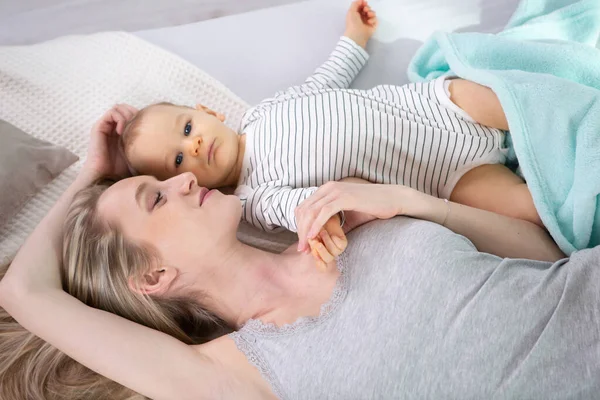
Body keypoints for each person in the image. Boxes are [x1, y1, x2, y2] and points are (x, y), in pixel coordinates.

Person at [3, 103, 598, 400]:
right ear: (152, 275)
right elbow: (22, 292)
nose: (182, 180)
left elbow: (545, 255)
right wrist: (92, 173)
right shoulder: (233, 374)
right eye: (156, 199)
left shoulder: (334, 216)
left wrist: (409, 203)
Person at [116, 0, 542, 268]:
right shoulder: (251, 198)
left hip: (438, 106)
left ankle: (566, 112)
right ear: (183, 180)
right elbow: (302, 208)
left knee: (528, 102)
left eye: (187, 128)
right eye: (177, 159)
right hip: (446, 177)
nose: (191, 146)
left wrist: (354, 37)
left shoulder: (264, 111)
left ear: (206, 111)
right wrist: (321, 224)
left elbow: (325, 80)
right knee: (530, 213)